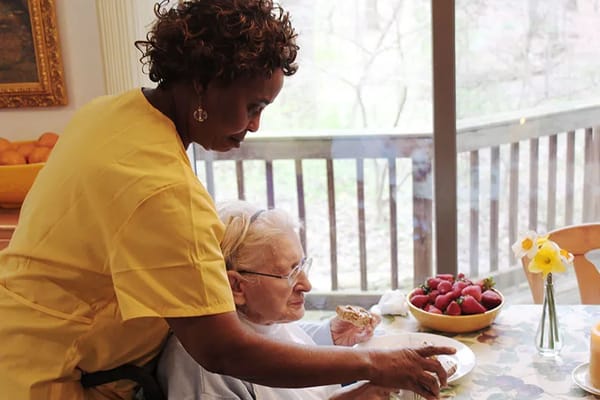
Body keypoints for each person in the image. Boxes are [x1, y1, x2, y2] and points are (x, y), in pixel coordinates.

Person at [0, 1, 455, 400]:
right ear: (202, 84)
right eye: (252, 105)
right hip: (49, 377)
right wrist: (371, 365)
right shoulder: (165, 191)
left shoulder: (109, 112)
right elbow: (224, 348)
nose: (255, 125)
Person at [157, 200, 394, 399]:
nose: (306, 285)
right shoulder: (204, 372)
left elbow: (280, 343)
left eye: (302, 265)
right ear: (236, 286)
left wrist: (329, 336)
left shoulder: (261, 318)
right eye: (290, 273)